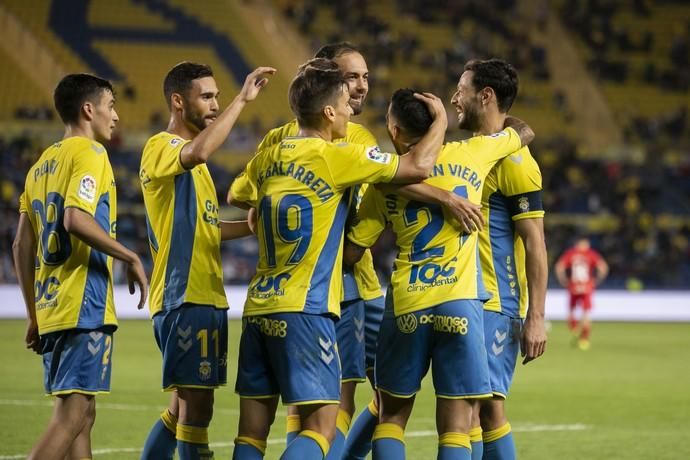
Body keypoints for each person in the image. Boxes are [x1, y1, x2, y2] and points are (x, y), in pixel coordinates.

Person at [235, 42, 481, 460]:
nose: (356, 96)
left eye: (365, 78)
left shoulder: (271, 149)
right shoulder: (343, 150)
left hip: (260, 303)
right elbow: (411, 169)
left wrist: (268, 207)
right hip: (316, 301)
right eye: (349, 83)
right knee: (326, 422)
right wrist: (441, 129)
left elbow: (241, 194)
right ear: (328, 105)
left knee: (253, 432)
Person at [344, 88, 535, 460]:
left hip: (407, 304)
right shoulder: (474, 153)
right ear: (437, 125)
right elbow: (524, 132)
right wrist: (494, 121)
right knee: (457, 425)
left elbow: (353, 251)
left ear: (394, 130)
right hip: (460, 306)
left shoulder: (385, 179)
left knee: (391, 416)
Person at [138, 62, 274, 460]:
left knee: (183, 407)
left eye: (217, 96)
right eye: (208, 97)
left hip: (205, 297)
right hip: (185, 298)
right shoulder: (162, 147)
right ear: (178, 102)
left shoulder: (194, 167)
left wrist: (253, 226)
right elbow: (198, 151)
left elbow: (208, 229)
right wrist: (241, 100)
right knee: (197, 412)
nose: (215, 104)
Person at [12, 73, 148, 460]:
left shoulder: (40, 165)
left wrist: (33, 314)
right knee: (71, 418)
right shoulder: (91, 154)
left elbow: (21, 243)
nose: (116, 116)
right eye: (112, 106)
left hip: (52, 307)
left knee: (83, 417)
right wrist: (131, 256)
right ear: (89, 110)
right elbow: (75, 218)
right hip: (82, 304)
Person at [452, 59, 549, 460]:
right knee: (474, 410)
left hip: (495, 301)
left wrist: (536, 317)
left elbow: (536, 244)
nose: (454, 97)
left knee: (482, 411)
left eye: (461, 88)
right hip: (468, 296)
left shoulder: (515, 162)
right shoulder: (476, 152)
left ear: (485, 96)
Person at [555, 236, 608, 350]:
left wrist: (563, 280)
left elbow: (559, 267)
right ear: (584, 243)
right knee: (586, 313)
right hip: (587, 287)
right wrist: (597, 280)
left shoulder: (570, 253)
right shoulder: (591, 254)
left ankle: (574, 329)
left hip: (573, 286)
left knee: (571, 311)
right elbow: (603, 267)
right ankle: (584, 339)